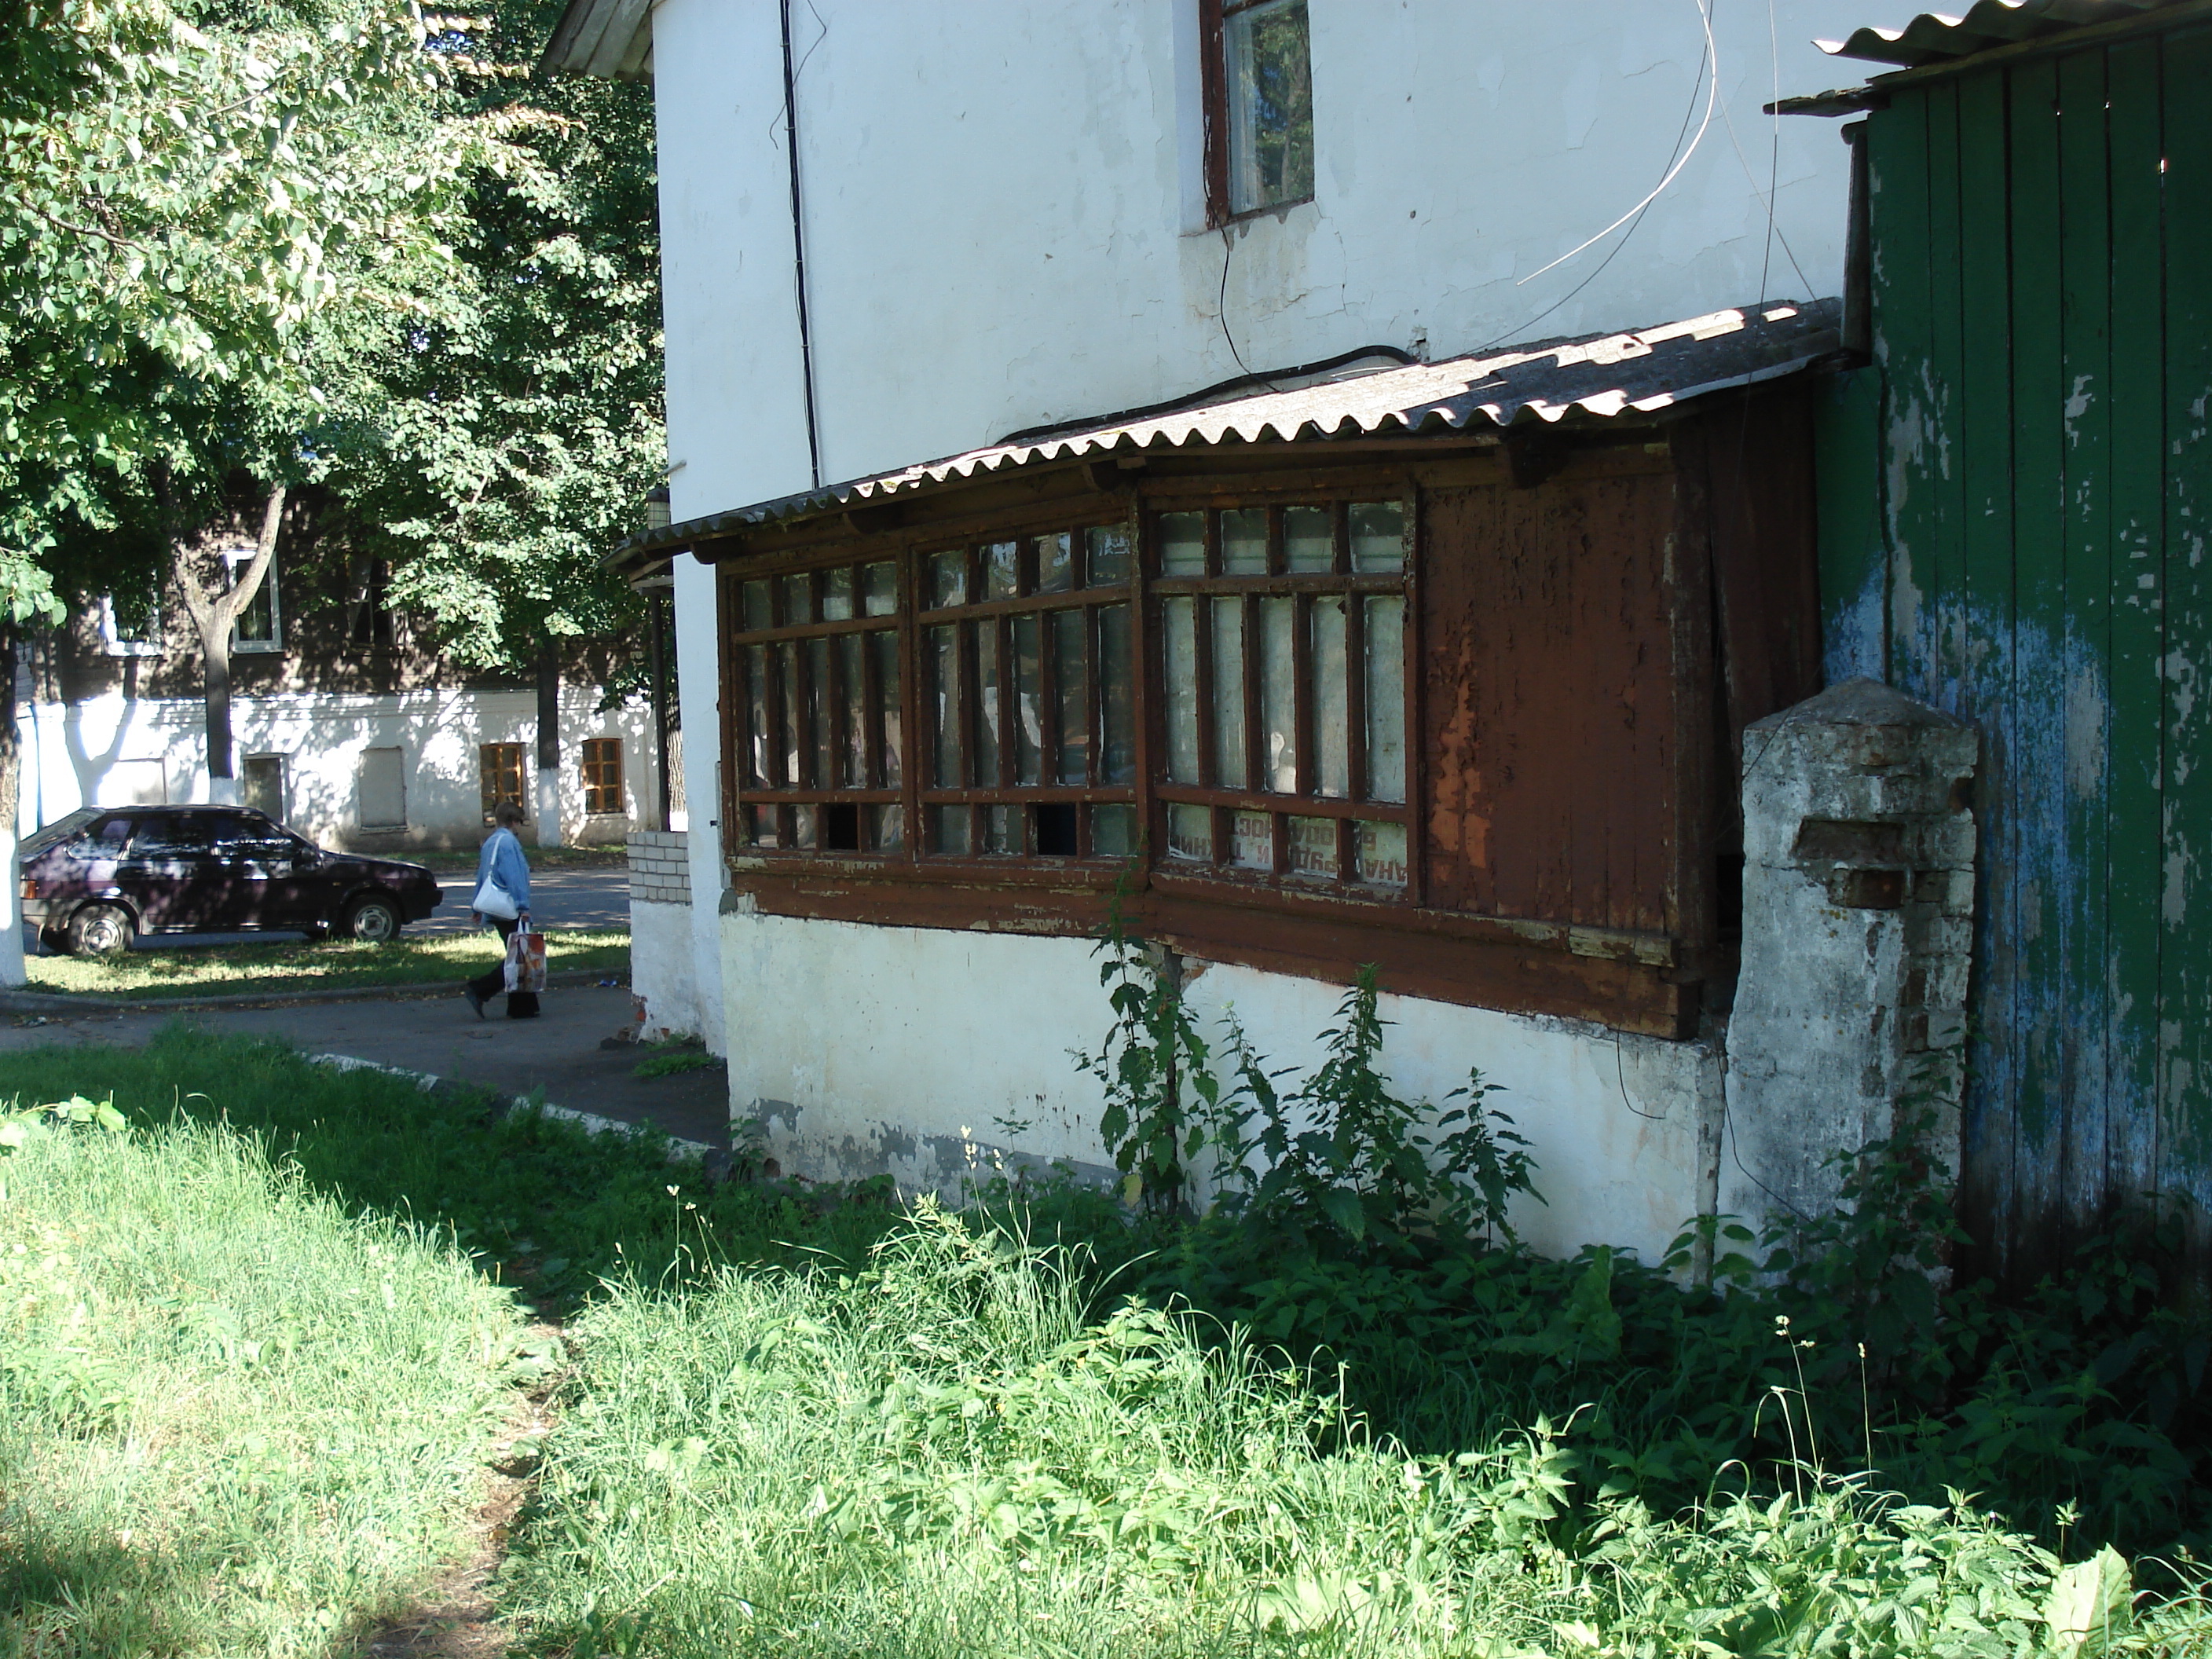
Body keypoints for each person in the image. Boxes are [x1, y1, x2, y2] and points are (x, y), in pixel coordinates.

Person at [463, 800, 539, 1019]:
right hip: (510, 908)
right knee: (519, 956)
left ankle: (523, 1007)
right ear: (513, 821)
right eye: (520, 823)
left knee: (519, 953)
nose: (519, 828)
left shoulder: (491, 843)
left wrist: (476, 906)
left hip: (493, 906)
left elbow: (483, 875)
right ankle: (479, 990)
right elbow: (514, 877)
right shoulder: (509, 843)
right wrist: (523, 906)